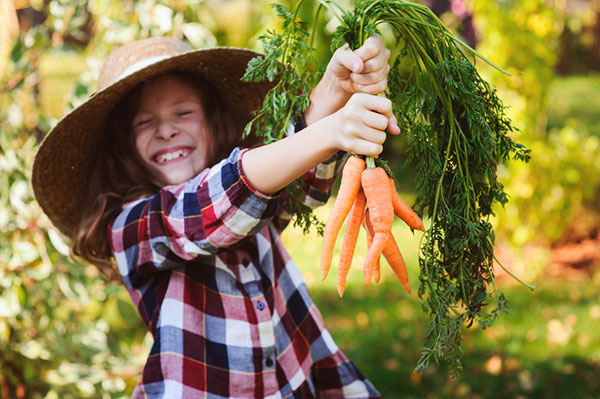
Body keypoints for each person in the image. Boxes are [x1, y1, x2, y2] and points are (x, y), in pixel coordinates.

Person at [32, 34, 398, 398]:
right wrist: (331, 131)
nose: (166, 129)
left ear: (213, 122)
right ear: (124, 146)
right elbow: (206, 207)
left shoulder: (254, 199)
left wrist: (334, 88)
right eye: (144, 122)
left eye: (183, 112)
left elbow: (300, 178)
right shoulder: (131, 225)